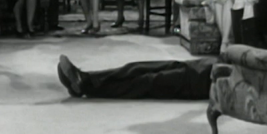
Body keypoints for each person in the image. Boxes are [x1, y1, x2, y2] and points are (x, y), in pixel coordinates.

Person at [56, 54, 216, 100]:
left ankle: (86, 87)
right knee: (135, 67)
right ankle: (85, 77)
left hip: (200, 83)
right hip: (198, 65)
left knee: (146, 81)